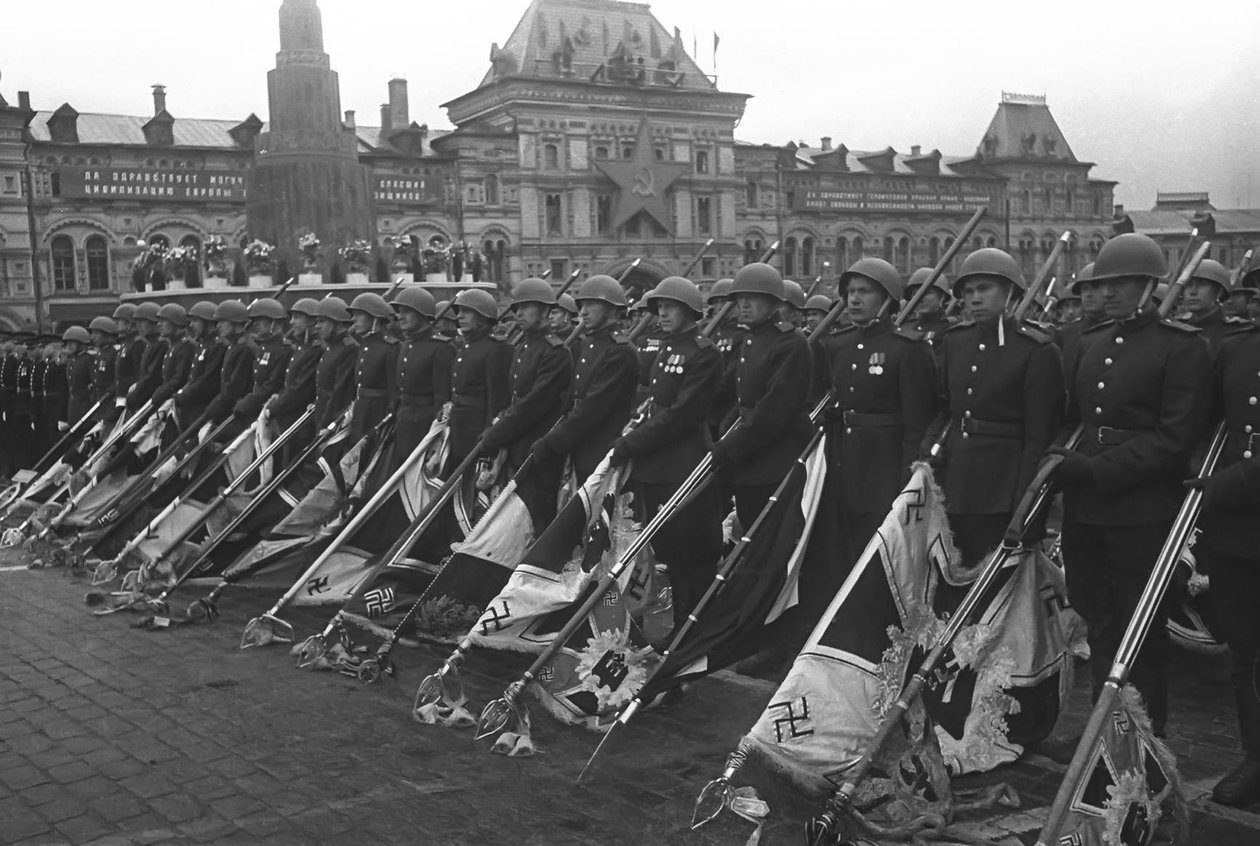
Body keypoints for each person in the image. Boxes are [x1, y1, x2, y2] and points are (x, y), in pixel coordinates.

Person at [1051, 232, 1213, 737]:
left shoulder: (1182, 347)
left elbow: (1175, 437)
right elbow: (1074, 420)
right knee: (1097, 618)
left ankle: (1141, 741)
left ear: (1149, 285)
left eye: (1124, 283)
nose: (1111, 292)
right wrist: (1064, 461)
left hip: (1141, 508)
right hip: (1087, 509)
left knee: (1139, 629)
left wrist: (1099, 470)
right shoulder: (1091, 342)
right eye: (1105, 283)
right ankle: (1104, 730)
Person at [925, 247, 1063, 565]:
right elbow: (945, 409)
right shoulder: (955, 341)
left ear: (1010, 292)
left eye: (984, 289)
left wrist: (1025, 499)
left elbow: (1039, 435)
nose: (974, 299)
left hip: (1004, 484)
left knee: (1001, 581)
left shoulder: (1036, 350)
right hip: (957, 481)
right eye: (969, 291)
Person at [610, 276, 723, 636]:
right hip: (657, 465)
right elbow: (655, 404)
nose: (662, 314)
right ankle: (679, 626)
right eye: (659, 308)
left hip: (684, 462)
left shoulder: (703, 353)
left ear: (690, 311)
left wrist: (632, 444)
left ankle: (693, 629)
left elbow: (682, 415)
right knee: (671, 554)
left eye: (669, 308)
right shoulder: (667, 348)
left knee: (692, 554)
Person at [816, 257, 937, 595]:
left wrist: (909, 474)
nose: (854, 299)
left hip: (885, 464)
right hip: (844, 459)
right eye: (850, 292)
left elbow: (918, 419)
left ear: (887, 299)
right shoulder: (837, 345)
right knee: (845, 548)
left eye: (865, 292)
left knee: (883, 551)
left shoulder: (908, 349)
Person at [1194, 316, 1260, 805]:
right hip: (1239, 530)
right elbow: (1206, 422)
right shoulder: (1236, 348)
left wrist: (1225, 486)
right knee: (1247, 649)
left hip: (1235, 496)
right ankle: (1256, 757)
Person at [711, 263, 813, 529]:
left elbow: (773, 409)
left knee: (769, 539)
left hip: (775, 459)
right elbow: (742, 399)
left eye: (752, 299)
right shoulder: (752, 339)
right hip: (749, 458)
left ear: (772, 303)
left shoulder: (790, 343)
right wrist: (724, 432)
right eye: (740, 299)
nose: (743, 305)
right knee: (748, 530)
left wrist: (729, 446)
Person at [478, 278, 574, 529]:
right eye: (516, 308)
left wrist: (495, 435)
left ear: (544, 310)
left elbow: (532, 404)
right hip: (516, 443)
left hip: (538, 444)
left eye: (526, 307)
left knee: (536, 514)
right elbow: (514, 398)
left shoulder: (556, 352)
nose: (518, 313)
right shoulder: (522, 348)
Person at [531, 275, 640, 482]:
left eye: (590, 305)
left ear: (611, 308)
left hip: (602, 445)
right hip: (581, 442)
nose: (582, 312)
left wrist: (553, 442)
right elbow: (572, 397)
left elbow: (594, 406)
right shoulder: (589, 342)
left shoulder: (620, 351)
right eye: (581, 306)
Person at [446, 289, 511, 467]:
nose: (460, 316)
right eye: (459, 312)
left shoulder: (496, 349)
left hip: (477, 428)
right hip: (459, 426)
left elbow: (497, 399)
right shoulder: (465, 347)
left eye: (466, 312)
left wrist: (488, 433)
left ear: (483, 317)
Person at [390, 287, 454, 460]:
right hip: (403, 424)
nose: (400, 317)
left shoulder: (440, 348)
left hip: (425, 428)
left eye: (407, 312)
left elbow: (441, 398)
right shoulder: (406, 346)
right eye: (399, 312)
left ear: (422, 314)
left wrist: (434, 437)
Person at [266, 298, 323, 462]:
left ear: (312, 320)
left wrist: (273, 409)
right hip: (289, 420)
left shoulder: (314, 350)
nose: (291, 322)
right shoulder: (303, 347)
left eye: (297, 317)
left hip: (301, 424)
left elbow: (299, 391)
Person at [346, 293, 399, 444]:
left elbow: (393, 391)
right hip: (361, 410)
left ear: (374, 318)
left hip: (377, 413)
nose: (353, 320)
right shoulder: (365, 346)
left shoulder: (390, 348)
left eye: (359, 315)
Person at [233, 298, 292, 423]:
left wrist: (249, 402)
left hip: (272, 414)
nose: (255, 324)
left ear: (273, 322)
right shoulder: (264, 348)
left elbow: (272, 385)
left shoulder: (284, 350)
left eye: (260, 320)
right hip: (257, 412)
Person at [200, 300, 257, 426]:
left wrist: (212, 409)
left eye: (223, 321)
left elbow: (234, 389)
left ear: (236, 323)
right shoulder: (234, 346)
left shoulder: (245, 348)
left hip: (238, 416)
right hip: (227, 411)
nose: (218, 326)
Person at [310, 296, 359, 435]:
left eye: (322, 321)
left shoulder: (349, 349)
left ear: (337, 323)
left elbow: (340, 392)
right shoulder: (332, 346)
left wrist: (326, 424)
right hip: (322, 415)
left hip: (335, 422)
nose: (317, 326)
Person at [172, 301, 226, 426]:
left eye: (196, 320)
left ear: (207, 322)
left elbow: (207, 382)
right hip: (192, 407)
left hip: (204, 407)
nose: (191, 325)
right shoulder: (204, 344)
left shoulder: (217, 346)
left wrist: (182, 397)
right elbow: (193, 378)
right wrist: (180, 394)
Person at [1055, 262, 1108, 384]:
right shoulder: (1066, 333)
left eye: (1095, 288)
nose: (1088, 294)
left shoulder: (1121, 329)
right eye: (1085, 289)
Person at [1182, 258, 1247, 355]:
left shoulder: (1238, 331)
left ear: (1219, 292)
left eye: (1202, 285)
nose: (1193, 291)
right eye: (1189, 285)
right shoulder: (1178, 328)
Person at [149, 305, 196, 410]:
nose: (159, 324)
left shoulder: (187, 346)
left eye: (163, 321)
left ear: (176, 323)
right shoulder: (174, 345)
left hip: (179, 405)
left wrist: (161, 394)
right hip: (167, 401)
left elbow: (179, 378)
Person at [127, 302, 168, 412]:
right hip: (145, 400)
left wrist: (135, 395)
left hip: (154, 401)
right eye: (137, 322)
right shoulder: (151, 344)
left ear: (155, 323)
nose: (138, 326)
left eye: (142, 321)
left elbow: (152, 376)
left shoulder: (161, 345)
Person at [60, 326, 95, 432]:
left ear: (81, 343)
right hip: (73, 406)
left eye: (72, 343)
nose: (69, 346)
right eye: (67, 343)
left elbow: (93, 382)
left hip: (85, 405)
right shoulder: (72, 360)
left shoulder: (89, 358)